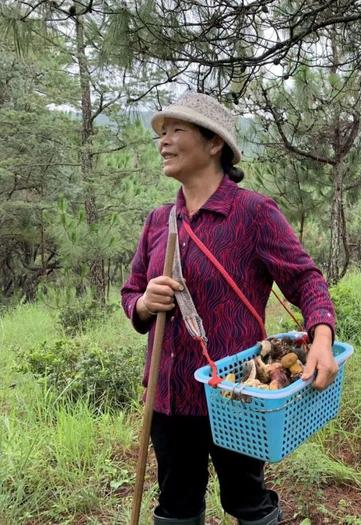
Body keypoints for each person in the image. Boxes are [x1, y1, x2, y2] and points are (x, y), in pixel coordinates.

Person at [121, 92, 338, 525]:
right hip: (170, 397)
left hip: (237, 396)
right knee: (176, 505)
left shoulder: (253, 213)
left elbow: (305, 279)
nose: (163, 140)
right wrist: (145, 303)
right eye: (162, 132)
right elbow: (131, 294)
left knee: (246, 501)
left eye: (177, 130)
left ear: (214, 142)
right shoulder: (159, 221)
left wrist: (323, 338)